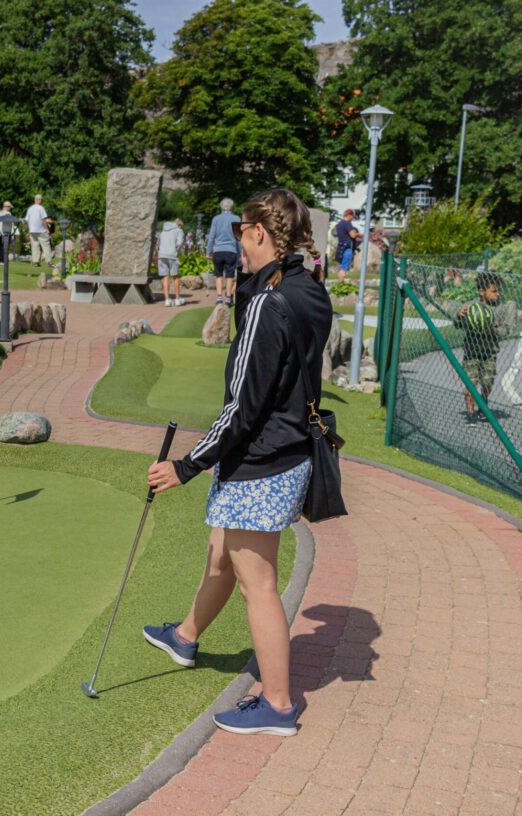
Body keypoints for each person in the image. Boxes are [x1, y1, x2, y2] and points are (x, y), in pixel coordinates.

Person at [144, 188, 331, 737]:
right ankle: (185, 636)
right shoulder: (308, 288)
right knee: (220, 553)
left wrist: (186, 465)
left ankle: (277, 704)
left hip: (261, 459)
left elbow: (242, 408)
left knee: (258, 583)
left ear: (258, 233)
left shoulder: (269, 304)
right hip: (288, 452)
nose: (237, 246)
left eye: (241, 234)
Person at [455, 272, 503, 425]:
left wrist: (489, 327)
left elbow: (506, 330)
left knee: (487, 384)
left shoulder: (500, 309)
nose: (497, 294)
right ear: (482, 291)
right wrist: (459, 316)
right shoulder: (471, 307)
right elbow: (457, 325)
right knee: (471, 384)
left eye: (498, 291)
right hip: (471, 353)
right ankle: (470, 413)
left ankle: (483, 403)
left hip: (489, 353)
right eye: (494, 291)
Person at [206, 198, 242, 306]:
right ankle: (228, 299)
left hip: (218, 251)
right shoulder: (236, 218)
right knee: (230, 276)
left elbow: (211, 237)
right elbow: (238, 238)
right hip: (231, 250)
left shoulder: (216, 219)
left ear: (221, 207)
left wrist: (208, 252)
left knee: (218, 275)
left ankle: (219, 298)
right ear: (231, 207)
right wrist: (240, 253)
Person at [157, 218, 185, 306]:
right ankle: (177, 299)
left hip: (161, 255)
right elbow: (179, 243)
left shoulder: (163, 231)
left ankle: (167, 300)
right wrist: (176, 250)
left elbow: (159, 243)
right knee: (175, 277)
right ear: (180, 225)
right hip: (172, 256)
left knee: (165, 277)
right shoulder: (179, 230)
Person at [333, 209, 361, 283]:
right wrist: (360, 235)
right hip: (347, 249)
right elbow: (353, 235)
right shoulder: (347, 224)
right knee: (344, 269)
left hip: (340, 247)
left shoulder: (339, 224)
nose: (353, 218)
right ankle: (341, 285)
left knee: (341, 268)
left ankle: (339, 284)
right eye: (353, 216)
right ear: (350, 215)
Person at [24, 195, 52, 267]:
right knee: (46, 245)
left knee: (35, 246)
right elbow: (43, 220)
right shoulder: (41, 208)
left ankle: (36, 262)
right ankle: (48, 261)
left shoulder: (30, 209)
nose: (41, 201)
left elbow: (26, 220)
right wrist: (47, 229)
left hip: (32, 231)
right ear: (38, 200)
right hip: (41, 230)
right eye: (41, 200)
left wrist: (30, 228)